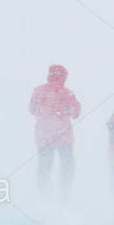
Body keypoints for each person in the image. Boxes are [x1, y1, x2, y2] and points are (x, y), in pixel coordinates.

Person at [29, 64, 81, 199]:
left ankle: (43, 193)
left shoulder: (38, 91)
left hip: (44, 136)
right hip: (64, 137)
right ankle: (64, 193)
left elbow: (32, 109)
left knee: (44, 165)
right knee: (67, 166)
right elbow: (75, 113)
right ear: (64, 77)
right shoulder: (67, 93)